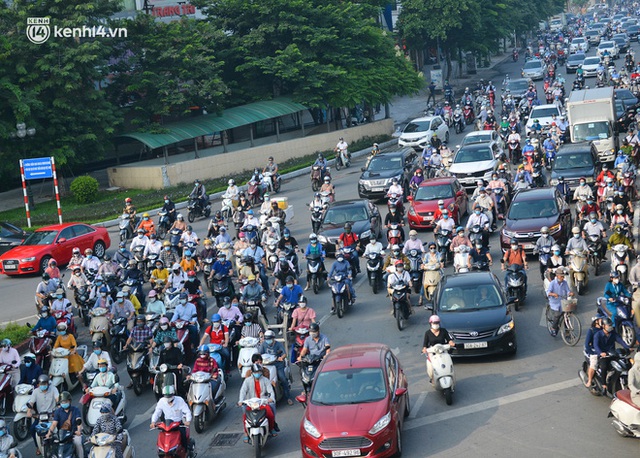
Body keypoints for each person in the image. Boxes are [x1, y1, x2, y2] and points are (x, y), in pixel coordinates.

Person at [238, 364, 278, 438]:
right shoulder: (247, 381)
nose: (257, 373)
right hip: (252, 404)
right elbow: (243, 391)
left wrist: (271, 398)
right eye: (256, 372)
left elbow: (271, 391)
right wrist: (241, 401)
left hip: (263, 402)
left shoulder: (265, 380)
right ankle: (246, 432)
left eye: (259, 372)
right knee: (245, 417)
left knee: (270, 415)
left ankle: (271, 428)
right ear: (252, 373)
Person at [150, 385, 193, 452]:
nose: (168, 398)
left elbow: (187, 411)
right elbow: (157, 412)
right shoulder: (161, 401)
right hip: (167, 425)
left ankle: (185, 451)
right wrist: (153, 422)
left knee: (183, 436)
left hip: (179, 424)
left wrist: (188, 421)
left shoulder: (179, 400)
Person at [593, 318, 630, 394]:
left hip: (613, 354)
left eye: (610, 325)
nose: (610, 327)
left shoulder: (613, 334)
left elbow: (620, 340)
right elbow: (596, 346)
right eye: (608, 325)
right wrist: (601, 353)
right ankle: (604, 385)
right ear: (603, 326)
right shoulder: (598, 335)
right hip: (604, 356)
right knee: (604, 367)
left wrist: (627, 347)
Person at [258, 330, 292, 404]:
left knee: (282, 378)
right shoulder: (263, 344)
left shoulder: (278, 344)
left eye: (269, 339)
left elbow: (284, 354)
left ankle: (288, 397)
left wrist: (281, 358)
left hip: (278, 364)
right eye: (266, 339)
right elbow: (259, 354)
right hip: (266, 364)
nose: (268, 340)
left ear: (273, 338)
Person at [27, 374, 59, 454]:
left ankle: (61, 443)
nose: (43, 386)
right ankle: (37, 446)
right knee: (32, 429)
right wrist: (29, 411)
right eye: (41, 384)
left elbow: (57, 398)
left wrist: (58, 406)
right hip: (40, 416)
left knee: (61, 427)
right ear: (38, 384)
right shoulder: (35, 392)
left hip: (52, 415)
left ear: (48, 384)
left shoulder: (53, 389)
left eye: (44, 384)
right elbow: (31, 402)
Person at [46, 391, 83, 458]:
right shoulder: (58, 411)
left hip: (73, 434)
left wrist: (79, 431)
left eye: (65, 402)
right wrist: (49, 433)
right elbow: (54, 424)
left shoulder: (75, 410)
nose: (64, 403)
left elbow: (78, 420)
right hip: (61, 436)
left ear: (70, 401)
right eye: (62, 402)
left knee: (78, 444)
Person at [421, 315, 454, 383]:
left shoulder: (443, 331)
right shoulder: (427, 333)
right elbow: (425, 344)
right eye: (434, 323)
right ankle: (432, 378)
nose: (436, 325)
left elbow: (449, 339)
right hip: (432, 352)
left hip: (443, 350)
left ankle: (450, 375)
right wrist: (424, 349)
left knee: (448, 362)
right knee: (430, 367)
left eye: (437, 323)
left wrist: (451, 343)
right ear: (431, 324)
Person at [545, 267, 574, 336]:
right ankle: (553, 328)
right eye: (561, 276)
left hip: (563, 302)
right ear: (557, 276)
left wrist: (570, 293)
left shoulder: (565, 283)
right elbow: (548, 292)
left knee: (566, 316)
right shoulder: (552, 283)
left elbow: (567, 291)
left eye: (563, 276)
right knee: (557, 315)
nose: (562, 278)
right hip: (555, 302)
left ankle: (567, 331)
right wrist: (553, 294)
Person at [583, 315, 605, 389]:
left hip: (604, 350)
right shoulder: (592, 330)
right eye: (601, 320)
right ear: (596, 321)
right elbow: (587, 344)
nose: (602, 321)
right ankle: (589, 380)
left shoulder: (604, 329)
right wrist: (592, 353)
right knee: (593, 364)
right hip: (594, 351)